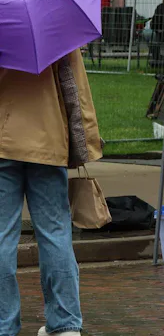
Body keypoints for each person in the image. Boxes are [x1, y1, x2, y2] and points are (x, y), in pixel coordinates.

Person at [1, 50, 102, 336]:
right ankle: (65, 323)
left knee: (0, 236)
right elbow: (76, 88)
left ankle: (3, 324)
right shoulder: (55, 23)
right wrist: (86, 144)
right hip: (47, 141)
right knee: (55, 232)